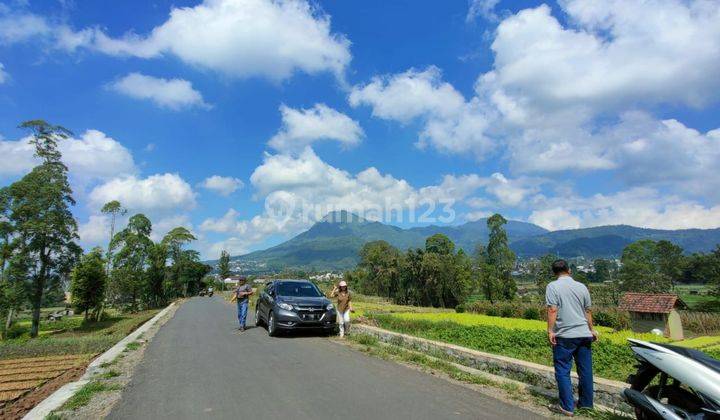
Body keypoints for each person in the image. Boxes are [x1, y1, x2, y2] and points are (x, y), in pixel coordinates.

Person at [546, 259, 598, 416]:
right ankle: (587, 406)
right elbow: (587, 311)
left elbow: (553, 310)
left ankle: (567, 407)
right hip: (584, 335)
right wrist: (591, 330)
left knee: (562, 370)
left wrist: (550, 330)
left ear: (554, 273)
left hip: (565, 336)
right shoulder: (581, 287)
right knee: (585, 371)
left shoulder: (552, 286)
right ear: (569, 270)